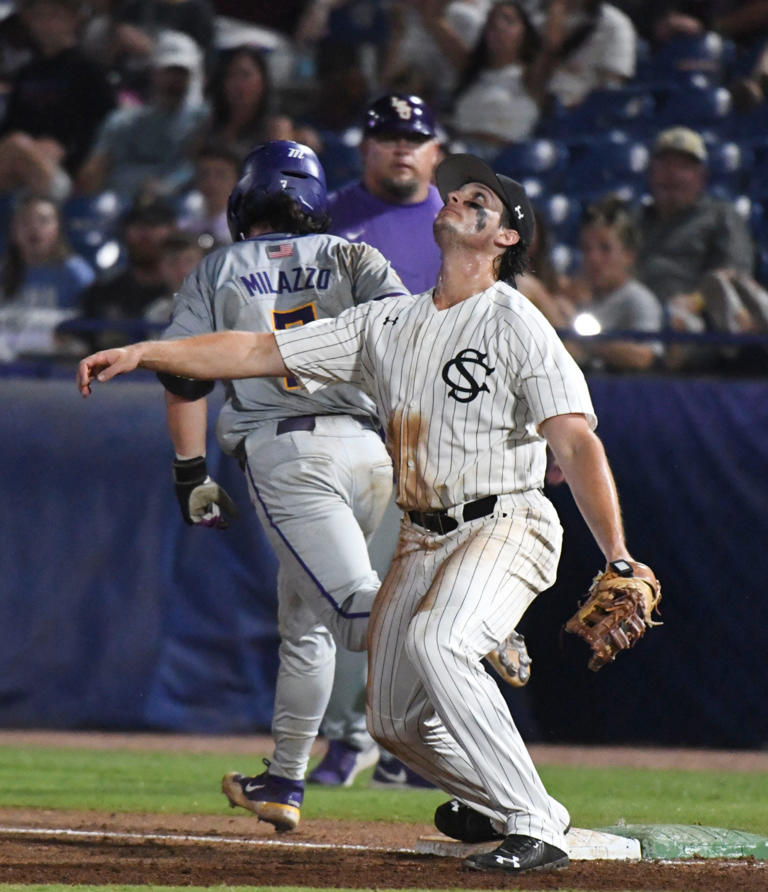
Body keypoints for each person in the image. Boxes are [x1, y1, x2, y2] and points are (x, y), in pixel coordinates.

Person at [79, 152, 656, 875]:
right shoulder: (387, 321)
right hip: (420, 536)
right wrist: (145, 351)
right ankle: (501, 799)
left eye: (481, 200)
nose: (460, 200)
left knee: (441, 643)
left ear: (506, 239)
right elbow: (259, 348)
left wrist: (619, 555)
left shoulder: (516, 321)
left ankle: (535, 825)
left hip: (505, 521)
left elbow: (575, 440)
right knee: (391, 721)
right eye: (460, 192)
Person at [310, 92, 444, 789]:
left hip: (439, 434)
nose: (401, 148)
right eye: (387, 136)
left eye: (413, 137)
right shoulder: (327, 217)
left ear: (435, 150)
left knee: (432, 592)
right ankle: (347, 736)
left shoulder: (463, 222)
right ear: (364, 147)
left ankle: (409, 740)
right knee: (351, 586)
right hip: (349, 425)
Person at [633, 126, 767, 369]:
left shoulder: (720, 215)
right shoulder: (636, 219)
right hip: (635, 316)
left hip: (695, 321)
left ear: (701, 175)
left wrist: (694, 301)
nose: (671, 175)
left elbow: (734, 274)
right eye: (664, 165)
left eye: (682, 166)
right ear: (651, 173)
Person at [75, 29, 209, 205]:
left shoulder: (203, 120)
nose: (174, 80)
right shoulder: (121, 121)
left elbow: (198, 163)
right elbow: (94, 169)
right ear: (154, 72)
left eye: (181, 73)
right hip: (118, 204)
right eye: (169, 72)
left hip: (173, 207)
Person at [0, 0, 116, 201]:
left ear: (73, 19)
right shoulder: (26, 74)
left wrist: (66, 150)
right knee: (14, 145)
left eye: (53, 16)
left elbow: (108, 127)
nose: (45, 24)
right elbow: (10, 127)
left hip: (64, 174)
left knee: (16, 144)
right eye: (38, 17)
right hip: (19, 165)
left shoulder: (89, 71)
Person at [560, 195, 663, 371]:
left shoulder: (639, 299)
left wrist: (588, 341)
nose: (593, 258)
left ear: (629, 256)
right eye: (586, 249)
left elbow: (644, 356)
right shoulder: (574, 293)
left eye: (605, 248)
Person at [74, 198, 178, 350]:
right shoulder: (101, 293)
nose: (146, 234)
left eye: (155, 225)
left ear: (172, 230)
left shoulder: (188, 295)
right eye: (138, 226)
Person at [0, 193, 95, 359]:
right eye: (25, 221)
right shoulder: (4, 272)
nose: (34, 228)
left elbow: (87, 327)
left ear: (58, 228)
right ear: (13, 230)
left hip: (61, 364)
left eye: (43, 220)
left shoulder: (76, 272)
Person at [449, 0, 542, 156]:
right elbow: (432, 19)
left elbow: (553, 44)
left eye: (509, 21)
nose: (499, 27)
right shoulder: (470, 70)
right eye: (491, 23)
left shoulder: (532, 78)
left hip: (505, 162)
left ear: (525, 32)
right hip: (460, 154)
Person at [176, 143, 241, 249]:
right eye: (204, 174)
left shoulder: (246, 223)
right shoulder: (187, 212)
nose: (211, 182)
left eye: (220, 175)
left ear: (237, 179)